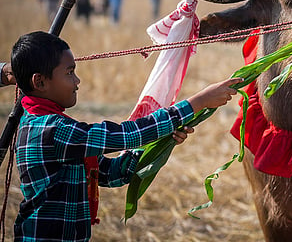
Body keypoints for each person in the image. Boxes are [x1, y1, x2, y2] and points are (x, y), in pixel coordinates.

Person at [10, 31, 242, 241]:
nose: (77, 81)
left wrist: (162, 141)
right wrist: (197, 102)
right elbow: (123, 135)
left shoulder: (52, 127)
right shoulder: (51, 130)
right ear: (39, 81)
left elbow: (113, 174)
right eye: (69, 73)